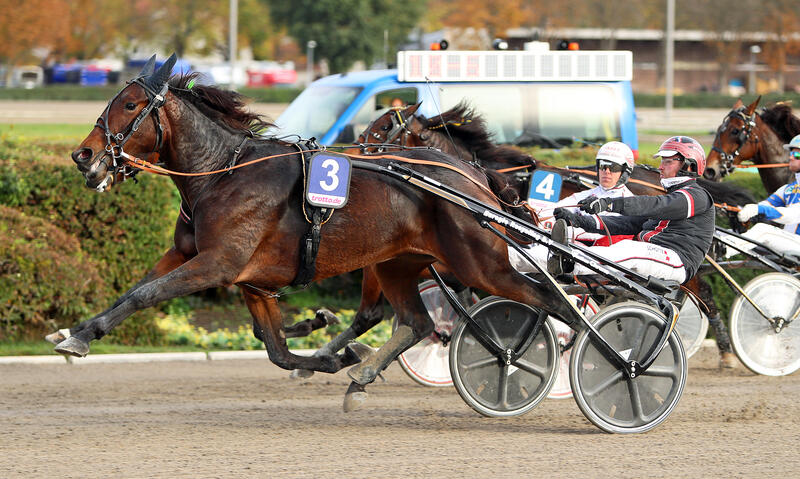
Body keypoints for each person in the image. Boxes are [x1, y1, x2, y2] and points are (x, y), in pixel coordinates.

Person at [507, 141, 636, 271]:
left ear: (625, 171)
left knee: (512, 256)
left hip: (595, 260)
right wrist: (530, 215)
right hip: (569, 251)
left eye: (613, 167)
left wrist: (573, 224)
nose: (606, 171)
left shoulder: (629, 202)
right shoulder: (587, 194)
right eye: (603, 166)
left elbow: (603, 235)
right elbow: (550, 211)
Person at [736, 133, 800, 257]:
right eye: (790, 154)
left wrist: (759, 209)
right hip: (792, 243)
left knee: (762, 230)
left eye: (797, 155)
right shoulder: (788, 189)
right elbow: (765, 204)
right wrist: (740, 210)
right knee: (731, 232)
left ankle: (724, 249)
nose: (791, 158)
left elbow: (790, 215)